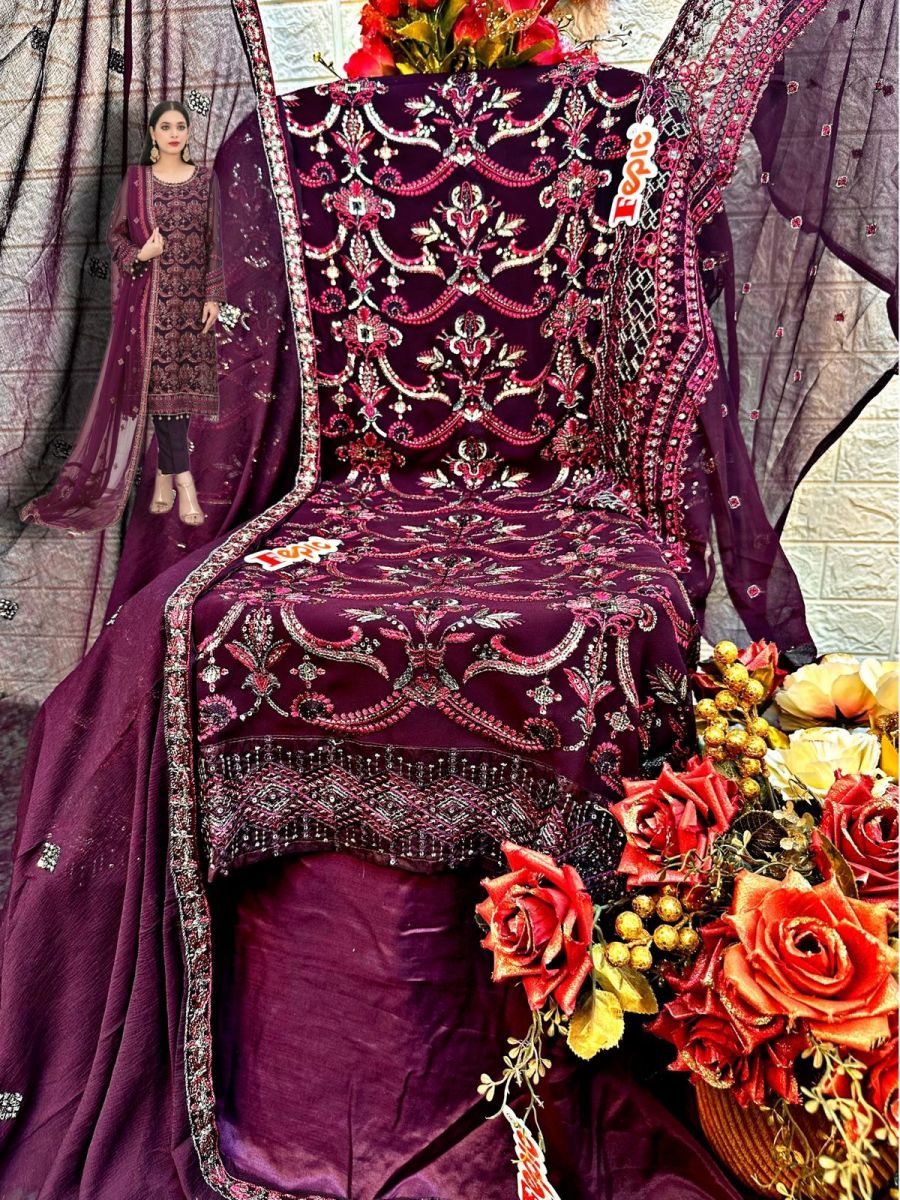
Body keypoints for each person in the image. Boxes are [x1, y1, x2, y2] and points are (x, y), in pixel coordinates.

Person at [20, 99, 225, 531]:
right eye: (165, 127)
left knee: (180, 389)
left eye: (181, 126)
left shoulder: (206, 180)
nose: (174, 133)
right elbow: (115, 238)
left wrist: (213, 295)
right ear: (152, 134)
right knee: (161, 389)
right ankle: (184, 482)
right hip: (149, 302)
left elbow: (213, 242)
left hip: (191, 303)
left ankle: (164, 478)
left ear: (188, 132)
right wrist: (141, 254)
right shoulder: (136, 181)